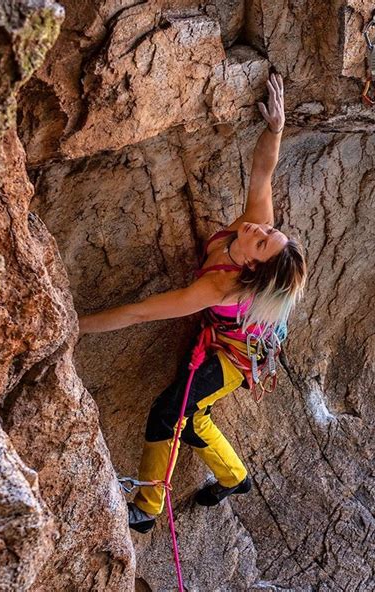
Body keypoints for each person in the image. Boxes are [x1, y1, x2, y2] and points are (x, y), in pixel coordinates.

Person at [78, 73, 307, 534]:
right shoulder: (253, 225)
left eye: (264, 241)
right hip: (232, 337)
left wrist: (76, 324)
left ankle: (145, 508)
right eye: (268, 232)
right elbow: (264, 170)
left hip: (236, 356)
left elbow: (142, 311)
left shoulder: (219, 289)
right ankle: (234, 477)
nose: (260, 231)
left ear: (253, 271)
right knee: (191, 412)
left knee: (171, 410)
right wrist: (276, 128)